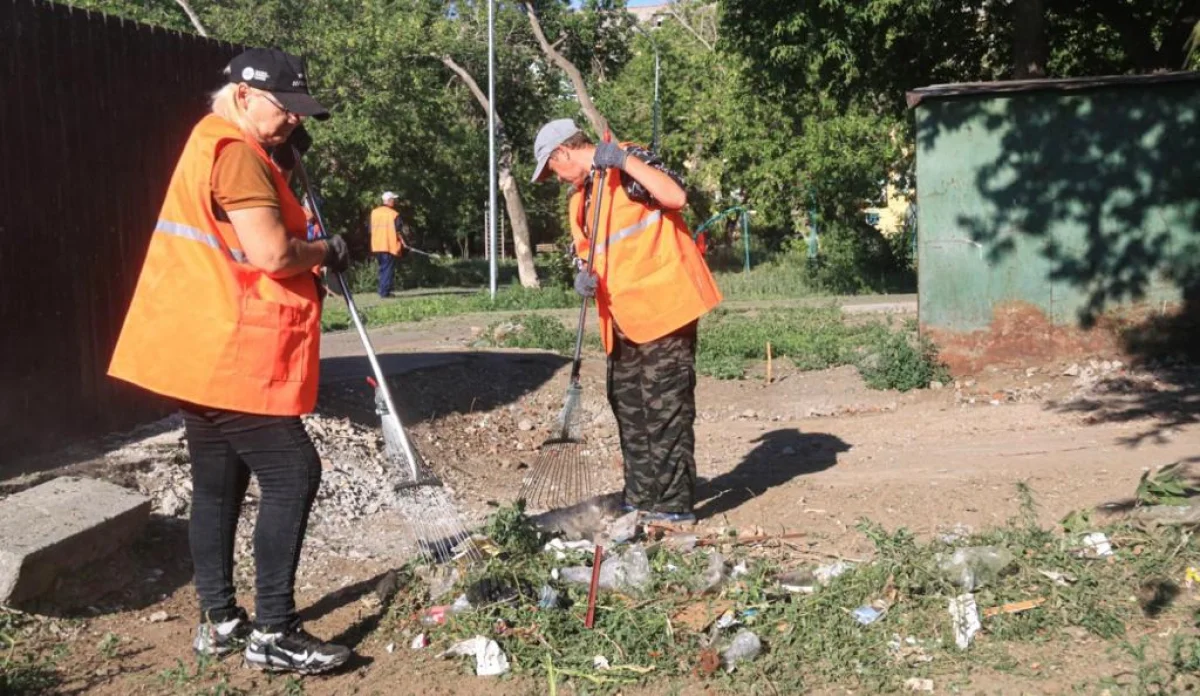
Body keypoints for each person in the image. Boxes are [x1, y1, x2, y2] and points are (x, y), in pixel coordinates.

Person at [108, 48, 352, 675]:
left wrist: (285, 172)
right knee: (294, 471)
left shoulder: (213, 144)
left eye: (300, 114)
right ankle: (273, 631)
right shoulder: (239, 154)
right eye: (286, 109)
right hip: (231, 352)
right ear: (243, 96)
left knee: (217, 488)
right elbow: (271, 255)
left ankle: (219, 622)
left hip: (195, 349)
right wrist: (328, 249)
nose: (295, 122)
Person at [530, 119, 722, 523]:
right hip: (622, 319)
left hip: (665, 305)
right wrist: (582, 273)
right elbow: (588, 251)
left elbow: (675, 196)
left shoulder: (630, 165)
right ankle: (640, 497)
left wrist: (622, 159)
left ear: (563, 151)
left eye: (551, 168)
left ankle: (671, 507)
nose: (553, 178)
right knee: (629, 405)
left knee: (664, 406)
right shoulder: (579, 200)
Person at [369, 191, 409, 297]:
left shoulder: (374, 213)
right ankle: (385, 292)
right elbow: (398, 231)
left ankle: (382, 290)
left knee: (382, 268)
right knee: (387, 269)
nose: (395, 202)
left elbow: (370, 229)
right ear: (389, 201)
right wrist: (404, 243)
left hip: (377, 245)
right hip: (388, 245)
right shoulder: (393, 214)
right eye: (393, 200)